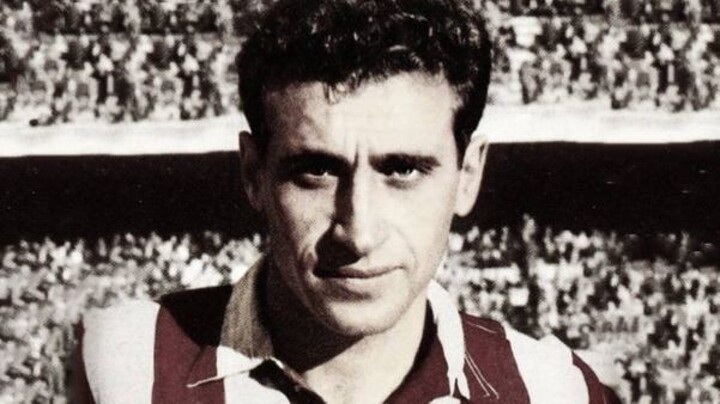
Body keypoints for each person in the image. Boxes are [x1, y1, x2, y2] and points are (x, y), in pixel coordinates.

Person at [73, 0, 618, 403]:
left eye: (402, 170)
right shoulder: (117, 370)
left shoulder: (556, 390)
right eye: (316, 170)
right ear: (253, 174)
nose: (358, 232)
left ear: (468, 176)